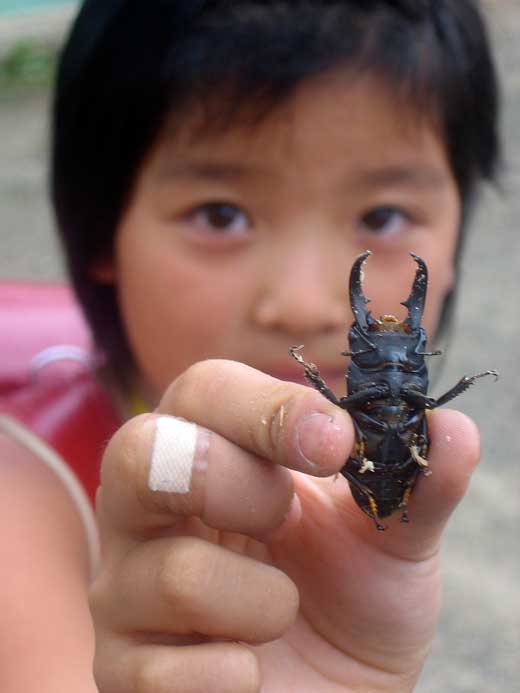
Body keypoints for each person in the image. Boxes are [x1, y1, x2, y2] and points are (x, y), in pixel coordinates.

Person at [0, 0, 500, 691]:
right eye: (220, 214)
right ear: (100, 232)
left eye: (382, 216)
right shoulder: (19, 504)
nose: (300, 301)